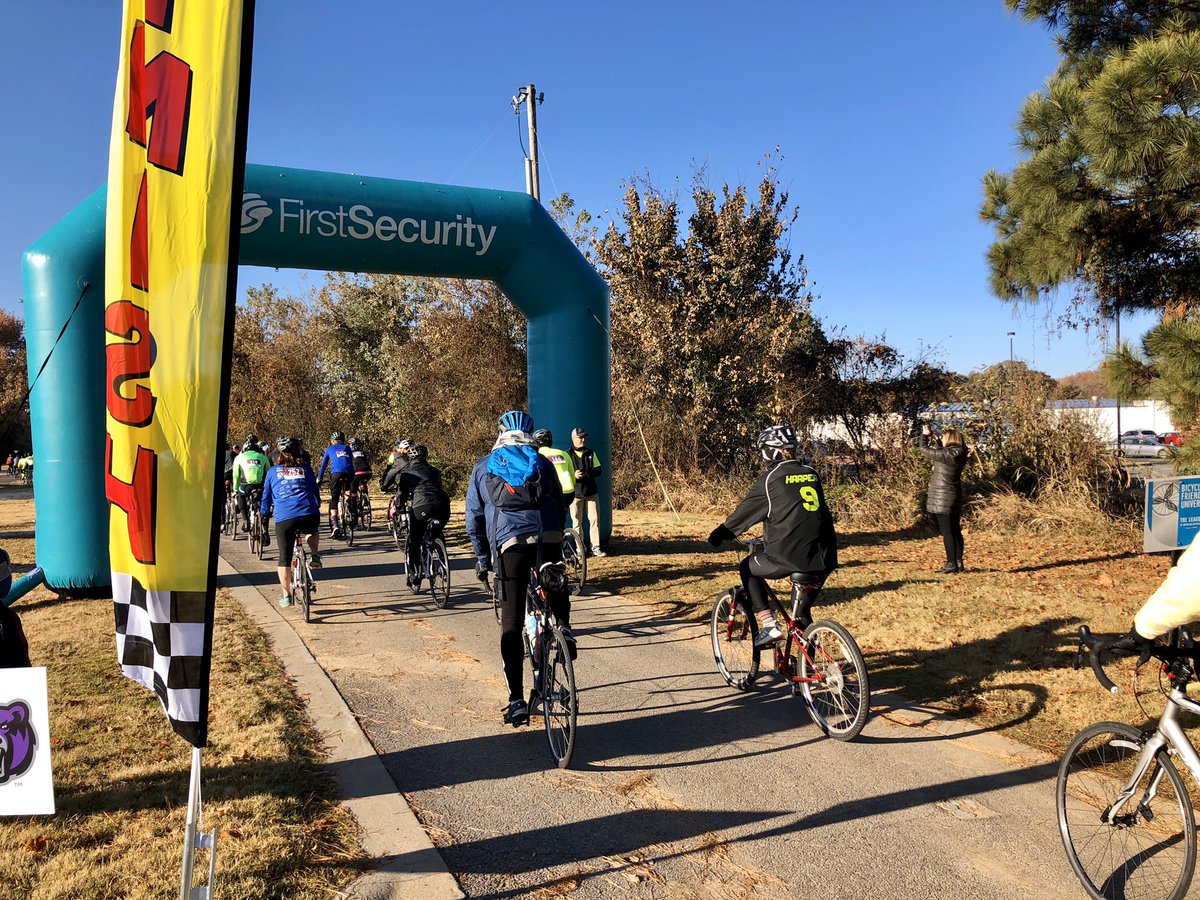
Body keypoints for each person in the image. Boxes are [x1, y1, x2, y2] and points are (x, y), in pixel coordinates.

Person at [465, 410, 571, 727]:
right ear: (530, 433)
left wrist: (484, 560)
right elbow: (561, 505)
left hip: (511, 545)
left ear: (499, 433)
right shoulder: (543, 462)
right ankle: (564, 626)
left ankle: (515, 700)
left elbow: (475, 520)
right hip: (548, 537)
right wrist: (553, 534)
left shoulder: (484, 467)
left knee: (511, 623)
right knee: (554, 585)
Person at [707, 424, 838, 647]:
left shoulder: (771, 479)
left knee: (747, 568)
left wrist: (719, 535)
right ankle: (808, 675)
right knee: (801, 615)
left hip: (788, 555)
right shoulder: (811, 473)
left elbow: (744, 514)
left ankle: (769, 626)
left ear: (770, 451)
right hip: (824, 556)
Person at [261, 436, 322, 608]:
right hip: (308, 513)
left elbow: (266, 496)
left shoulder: (273, 472)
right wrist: (316, 504)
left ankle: (286, 595)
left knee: (284, 558)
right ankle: (315, 554)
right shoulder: (307, 469)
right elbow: (314, 491)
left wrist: (264, 512)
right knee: (312, 530)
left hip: (285, 518)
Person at [395, 445, 451, 591]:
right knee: (437, 531)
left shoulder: (406, 473)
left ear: (411, 457)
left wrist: (400, 509)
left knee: (414, 539)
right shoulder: (435, 471)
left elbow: (401, 495)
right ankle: (442, 560)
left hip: (421, 506)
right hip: (442, 505)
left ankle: (414, 574)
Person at [917, 423, 968, 574]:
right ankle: (958, 562)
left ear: (950, 440)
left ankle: (951, 564)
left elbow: (923, 449)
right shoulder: (959, 452)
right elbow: (943, 455)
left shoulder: (947, 455)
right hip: (954, 496)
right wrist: (938, 442)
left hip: (942, 497)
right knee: (955, 530)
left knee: (947, 533)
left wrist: (925, 437)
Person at [568, 427, 604, 557]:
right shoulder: (567, 455)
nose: (583, 440)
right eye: (580, 437)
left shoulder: (591, 453)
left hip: (591, 493)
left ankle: (596, 548)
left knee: (594, 520)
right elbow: (564, 472)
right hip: (575, 494)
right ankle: (580, 550)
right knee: (576, 522)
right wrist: (574, 475)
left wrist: (587, 473)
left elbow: (599, 470)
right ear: (574, 439)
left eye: (584, 437)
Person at [232, 435, 271, 545]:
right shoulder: (263, 457)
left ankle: (245, 521)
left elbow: (236, 475)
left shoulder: (239, 457)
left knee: (241, 496)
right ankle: (265, 532)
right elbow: (268, 473)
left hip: (246, 486)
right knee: (264, 508)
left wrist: (235, 489)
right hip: (260, 486)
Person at [316, 431, 356, 538]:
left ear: (332, 441)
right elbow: (351, 461)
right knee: (347, 489)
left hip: (336, 473)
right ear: (343, 440)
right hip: (350, 473)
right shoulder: (347, 448)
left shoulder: (329, 449)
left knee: (334, 498)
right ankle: (349, 507)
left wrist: (319, 478)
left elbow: (323, 465)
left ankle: (335, 526)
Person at [532, 429, 576, 507]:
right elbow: (573, 478)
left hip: (552, 492)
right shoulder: (564, 453)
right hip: (569, 492)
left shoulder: (536, 455)